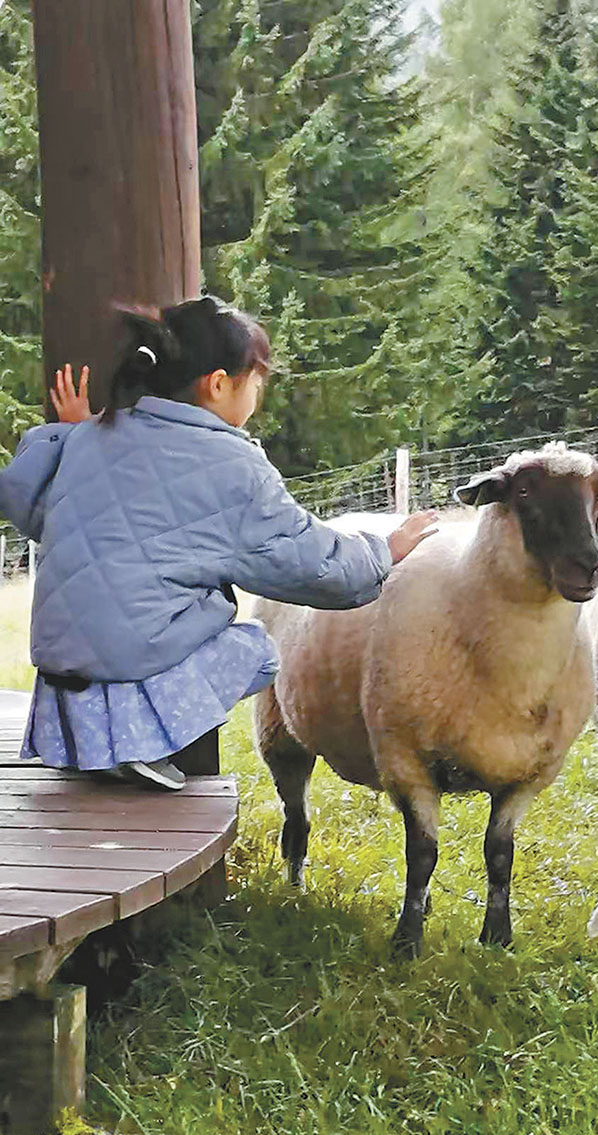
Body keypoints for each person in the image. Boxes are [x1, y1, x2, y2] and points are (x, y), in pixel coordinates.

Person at [0, 296, 436, 790]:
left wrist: (66, 435)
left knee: (133, 619)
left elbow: (37, 513)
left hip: (58, 681)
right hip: (130, 666)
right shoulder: (231, 465)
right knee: (254, 648)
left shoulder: (93, 436)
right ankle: (140, 743)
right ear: (219, 384)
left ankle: (97, 744)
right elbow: (308, 561)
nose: (258, 395)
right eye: (257, 382)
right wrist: (384, 550)